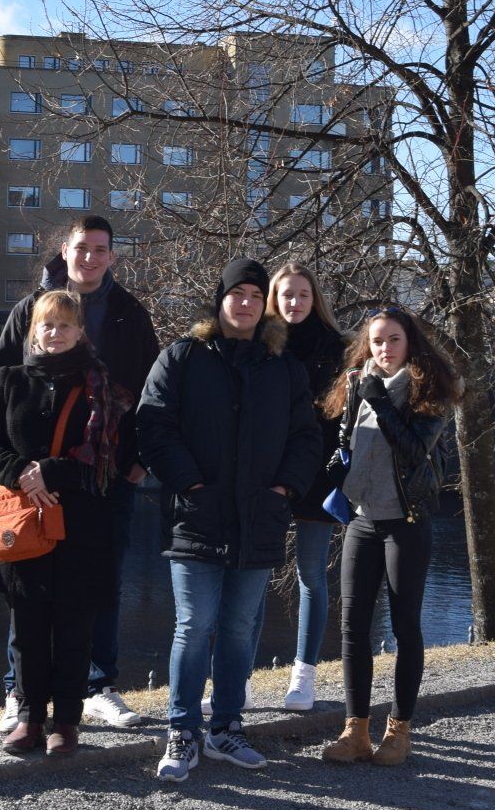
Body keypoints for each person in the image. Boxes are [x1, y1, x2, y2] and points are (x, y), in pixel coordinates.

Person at [136, 257, 323, 782]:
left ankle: (226, 728)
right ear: (219, 300)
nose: (245, 303)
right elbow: (152, 426)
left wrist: (284, 489)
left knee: (240, 629)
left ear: (265, 305)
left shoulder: (284, 368)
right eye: (236, 293)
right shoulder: (183, 357)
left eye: (255, 295)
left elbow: (306, 438)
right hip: (197, 516)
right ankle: (182, 730)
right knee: (194, 626)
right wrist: (190, 483)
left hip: (259, 517)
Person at [0, 215, 161, 732]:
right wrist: (14, 470)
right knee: (24, 582)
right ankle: (19, 691)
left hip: (102, 479)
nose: (90, 257)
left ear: (112, 256)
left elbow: (153, 395)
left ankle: (97, 685)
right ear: (64, 250)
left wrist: (138, 464)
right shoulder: (29, 311)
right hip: (29, 482)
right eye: (82, 247)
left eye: (100, 250)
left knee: (101, 581)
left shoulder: (129, 314)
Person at [0, 290, 134, 757]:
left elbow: (114, 459)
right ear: (33, 331)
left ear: (80, 331)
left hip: (82, 526)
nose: (55, 333)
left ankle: (66, 721)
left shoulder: (103, 387)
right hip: (23, 522)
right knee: (27, 627)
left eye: (65, 325)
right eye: (47, 325)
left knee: (74, 628)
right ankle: (29, 718)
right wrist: (22, 472)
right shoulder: (11, 380)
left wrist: (52, 472)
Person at [319, 305, 460, 767]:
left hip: (406, 521)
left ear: (409, 342)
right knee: (353, 627)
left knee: (405, 626)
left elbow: (415, 451)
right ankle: (355, 730)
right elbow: (346, 441)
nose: (384, 348)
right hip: (362, 519)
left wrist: (378, 400)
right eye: (377, 341)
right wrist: (337, 462)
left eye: (393, 339)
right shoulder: (358, 383)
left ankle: (399, 730)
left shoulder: (429, 390)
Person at [257, 262, 349, 711]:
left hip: (316, 473)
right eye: (286, 294)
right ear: (274, 299)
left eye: (303, 295)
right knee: (253, 575)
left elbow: (344, 415)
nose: (294, 302)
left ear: (316, 300)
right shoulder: (260, 343)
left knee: (311, 574)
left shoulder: (339, 347)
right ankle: (240, 677)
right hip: (266, 475)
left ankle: (303, 677)